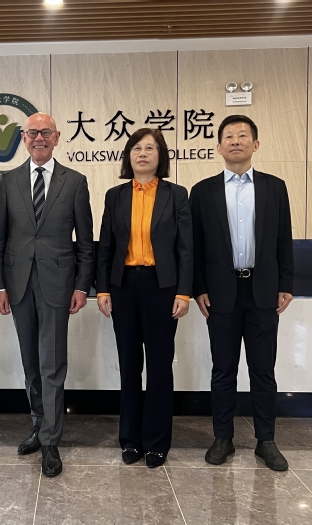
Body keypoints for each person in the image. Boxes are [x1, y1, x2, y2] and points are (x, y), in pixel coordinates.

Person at [0, 112, 94, 477]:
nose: (39, 138)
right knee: (30, 362)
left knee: (52, 362)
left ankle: (51, 439)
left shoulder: (75, 181)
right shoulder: (8, 181)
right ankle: (38, 423)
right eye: (33, 132)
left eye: (45, 132)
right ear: (23, 138)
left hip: (58, 283)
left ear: (57, 137)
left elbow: (85, 242)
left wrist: (81, 285)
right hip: (17, 282)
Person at [190, 115, 294, 471]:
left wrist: (286, 283)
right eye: (229, 137)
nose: (236, 141)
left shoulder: (274, 187)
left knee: (263, 370)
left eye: (243, 135)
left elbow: (283, 239)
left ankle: (266, 441)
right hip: (220, 293)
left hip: (263, 291)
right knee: (223, 369)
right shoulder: (202, 191)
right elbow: (195, 246)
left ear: (255, 144)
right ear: (219, 147)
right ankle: (223, 437)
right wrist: (198, 288)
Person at [96, 128, 192, 468]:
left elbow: (185, 248)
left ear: (160, 155)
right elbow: (106, 245)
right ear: (128, 156)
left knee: (160, 365)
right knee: (129, 364)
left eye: (150, 148)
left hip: (162, 287)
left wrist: (183, 292)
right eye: (137, 148)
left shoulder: (176, 195)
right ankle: (130, 439)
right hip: (123, 286)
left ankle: (156, 441)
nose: (143, 154)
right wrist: (103, 289)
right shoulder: (115, 196)